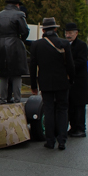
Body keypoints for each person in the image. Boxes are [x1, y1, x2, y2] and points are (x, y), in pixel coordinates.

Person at [29, 17, 74, 150]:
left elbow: (33, 66)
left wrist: (33, 85)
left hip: (45, 81)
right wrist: (71, 79)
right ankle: (62, 140)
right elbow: (70, 65)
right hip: (62, 81)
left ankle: (50, 140)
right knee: (62, 109)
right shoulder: (64, 43)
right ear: (55, 29)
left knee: (48, 110)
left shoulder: (36, 45)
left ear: (43, 30)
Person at [0, 0, 30, 103]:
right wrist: (21, 39)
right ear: (17, 5)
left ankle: (3, 98)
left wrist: (1, 38)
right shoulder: (19, 14)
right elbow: (25, 31)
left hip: (2, 45)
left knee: (3, 74)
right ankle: (17, 99)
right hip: (15, 45)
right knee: (17, 74)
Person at [64, 22, 88, 137]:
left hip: (79, 80)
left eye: (70, 33)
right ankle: (73, 127)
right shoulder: (65, 44)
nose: (68, 35)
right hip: (70, 80)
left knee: (79, 106)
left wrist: (68, 66)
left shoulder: (81, 45)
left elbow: (81, 61)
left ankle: (80, 128)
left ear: (76, 33)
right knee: (70, 105)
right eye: (66, 33)